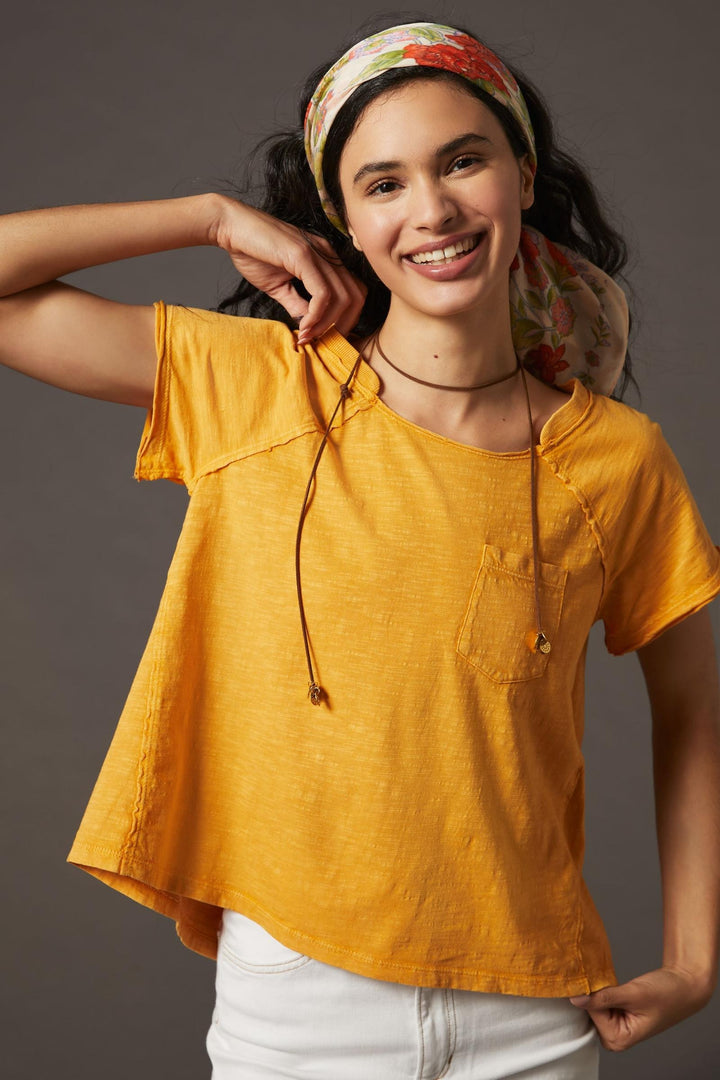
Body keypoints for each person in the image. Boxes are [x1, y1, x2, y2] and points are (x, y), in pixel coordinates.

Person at [1, 17, 719, 1079]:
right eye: (384, 183)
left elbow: (693, 711)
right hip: (300, 1005)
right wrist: (206, 216)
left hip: (533, 1013)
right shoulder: (258, 387)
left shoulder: (618, 458)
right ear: (344, 219)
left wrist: (695, 961)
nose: (431, 210)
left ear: (522, 174)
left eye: (462, 161)